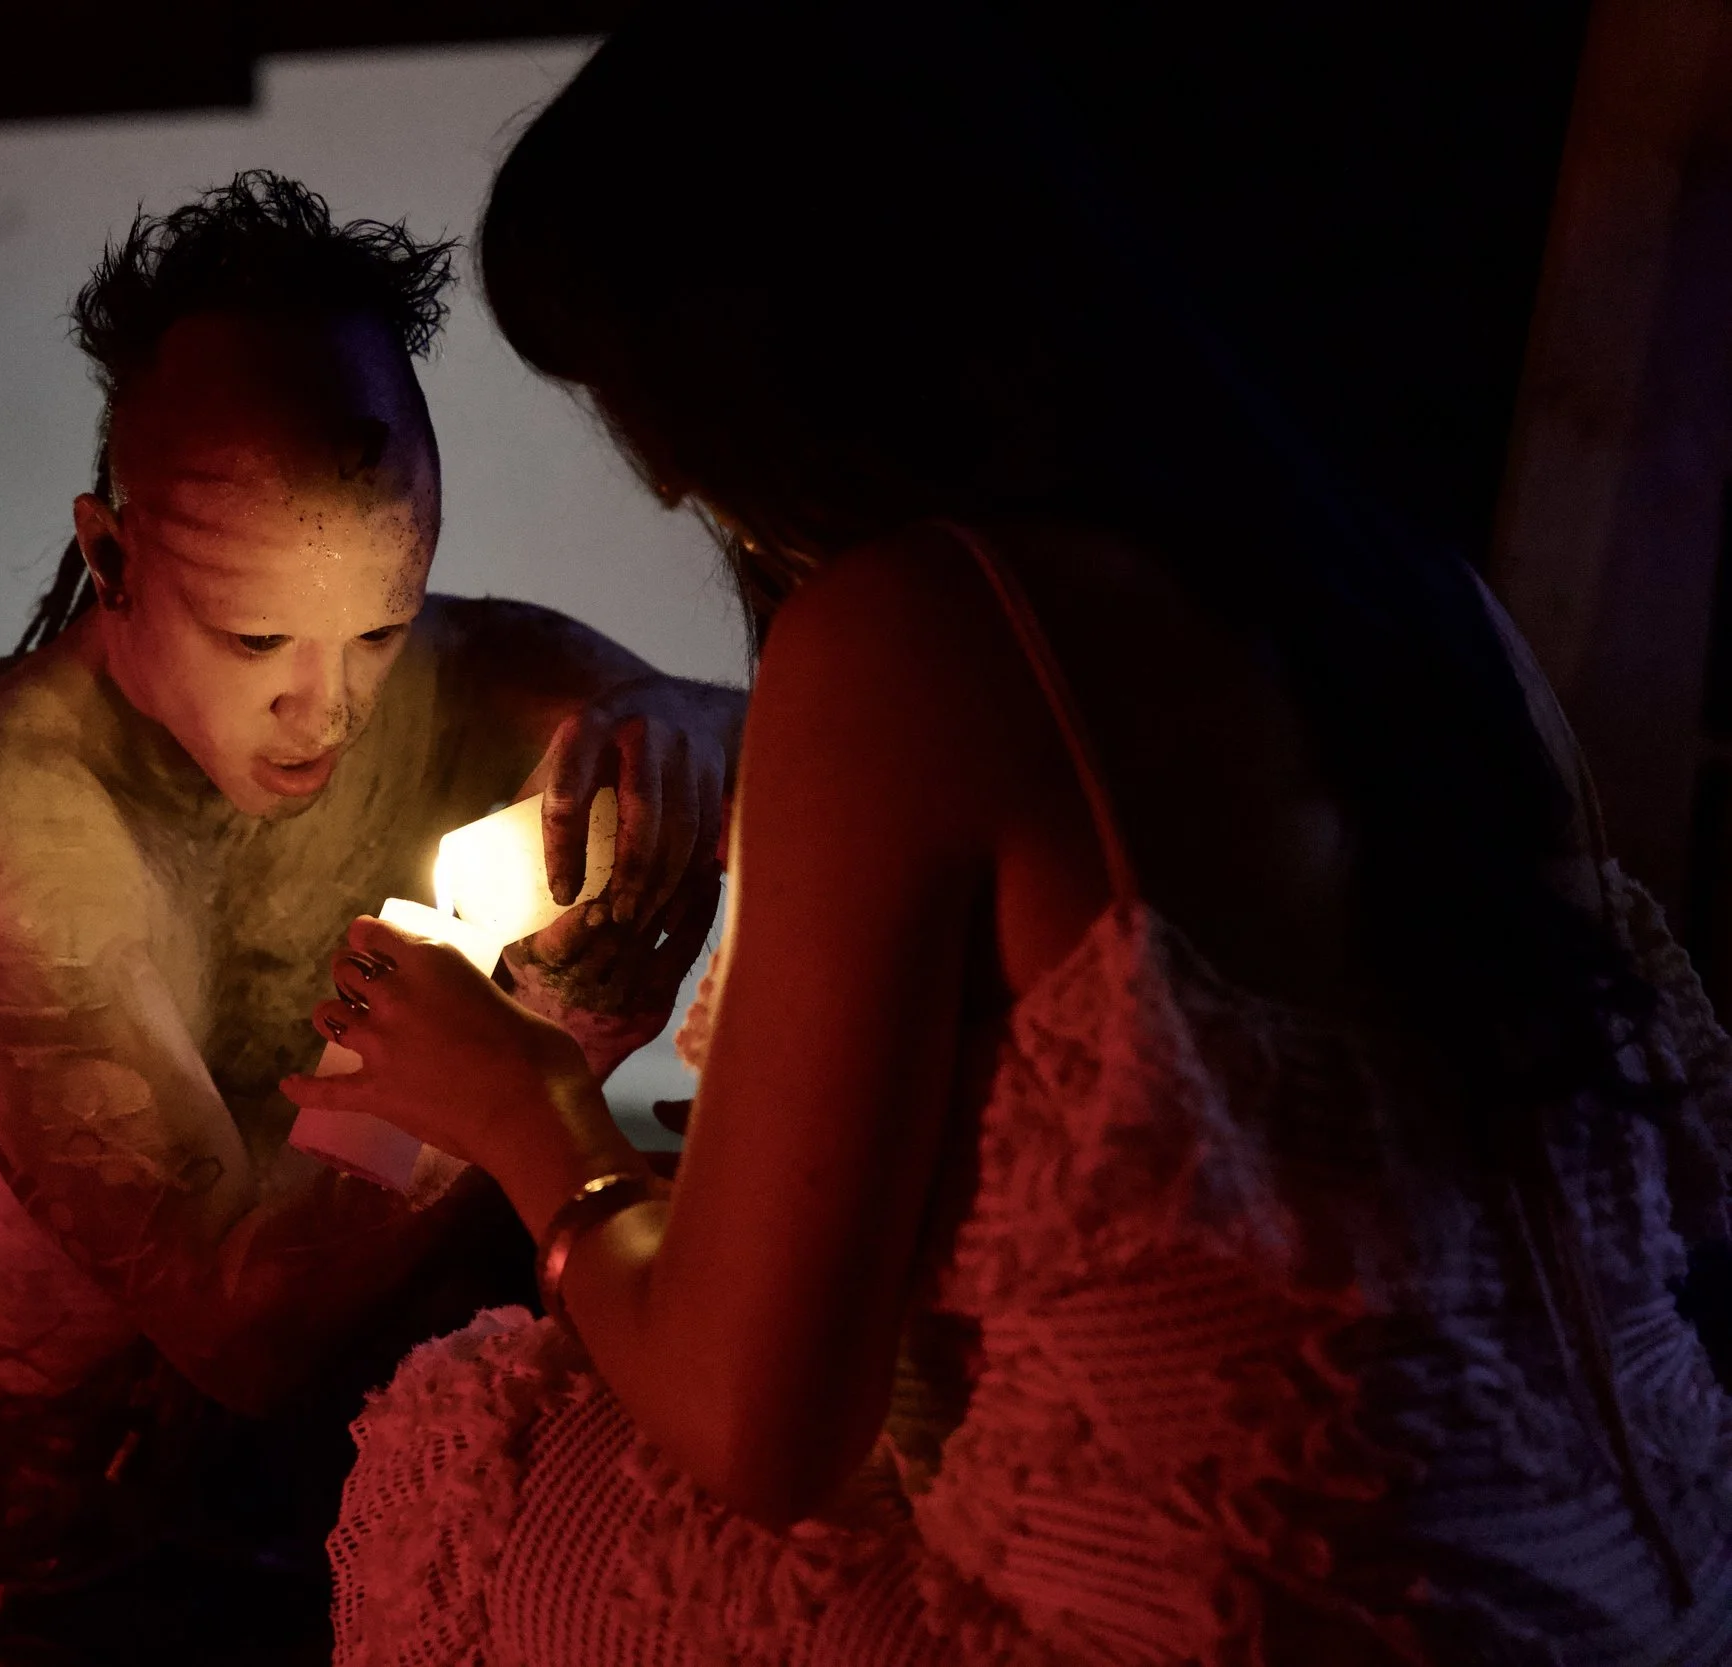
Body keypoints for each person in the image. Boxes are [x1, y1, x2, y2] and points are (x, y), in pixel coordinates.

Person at [286, 9, 1732, 1664]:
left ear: (764, 357)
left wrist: (524, 1106)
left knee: (480, 1459)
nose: (666, 485)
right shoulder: (1422, 610)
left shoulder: (919, 631)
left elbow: (760, 1428)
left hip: (1259, 1616)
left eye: (639, 404)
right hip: (1643, 1581)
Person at [0, 172, 738, 1664]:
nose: (327, 703)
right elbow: (241, 1326)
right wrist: (549, 1046)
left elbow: (850, 748)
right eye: (255, 637)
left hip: (339, 1446)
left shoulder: (471, 677)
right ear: (111, 557)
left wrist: (694, 724)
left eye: (380, 621)